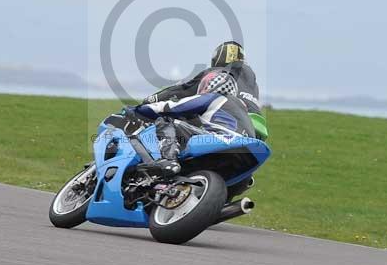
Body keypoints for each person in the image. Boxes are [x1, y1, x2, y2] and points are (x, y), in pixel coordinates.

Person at [105, 41, 268, 176]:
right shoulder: (251, 79)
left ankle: (169, 160)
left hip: (221, 124)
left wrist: (149, 101)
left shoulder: (217, 75)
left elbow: (181, 91)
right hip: (253, 130)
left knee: (173, 121)